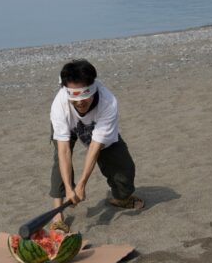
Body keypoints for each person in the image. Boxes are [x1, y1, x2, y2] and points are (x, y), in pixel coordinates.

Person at [49, 59, 144, 232]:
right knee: (59, 162)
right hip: (69, 125)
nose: (80, 102)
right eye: (74, 98)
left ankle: (121, 198)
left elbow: (94, 147)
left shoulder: (108, 103)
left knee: (125, 167)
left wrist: (82, 185)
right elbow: (64, 151)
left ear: (93, 87)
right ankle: (57, 214)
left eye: (84, 97)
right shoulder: (59, 105)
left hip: (97, 126)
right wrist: (70, 189)